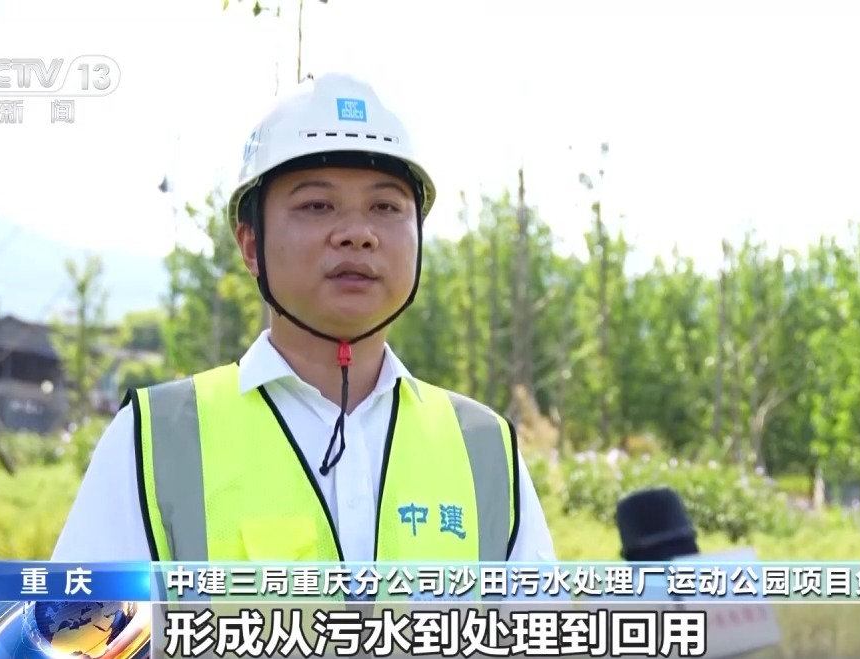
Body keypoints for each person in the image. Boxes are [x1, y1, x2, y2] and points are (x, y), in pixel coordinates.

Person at [52, 73, 557, 566]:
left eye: (385, 206)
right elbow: (75, 624)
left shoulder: (486, 450)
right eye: (317, 205)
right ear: (251, 244)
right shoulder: (154, 441)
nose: (357, 233)